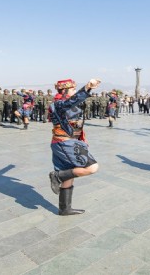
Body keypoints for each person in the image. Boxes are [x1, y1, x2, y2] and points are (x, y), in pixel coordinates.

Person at [48, 78, 101, 215]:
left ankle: (64, 209)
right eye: (72, 90)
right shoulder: (59, 104)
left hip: (66, 142)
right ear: (64, 91)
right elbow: (72, 101)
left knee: (69, 173)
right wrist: (87, 87)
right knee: (92, 167)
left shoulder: (63, 103)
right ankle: (57, 176)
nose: (74, 92)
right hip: (65, 143)